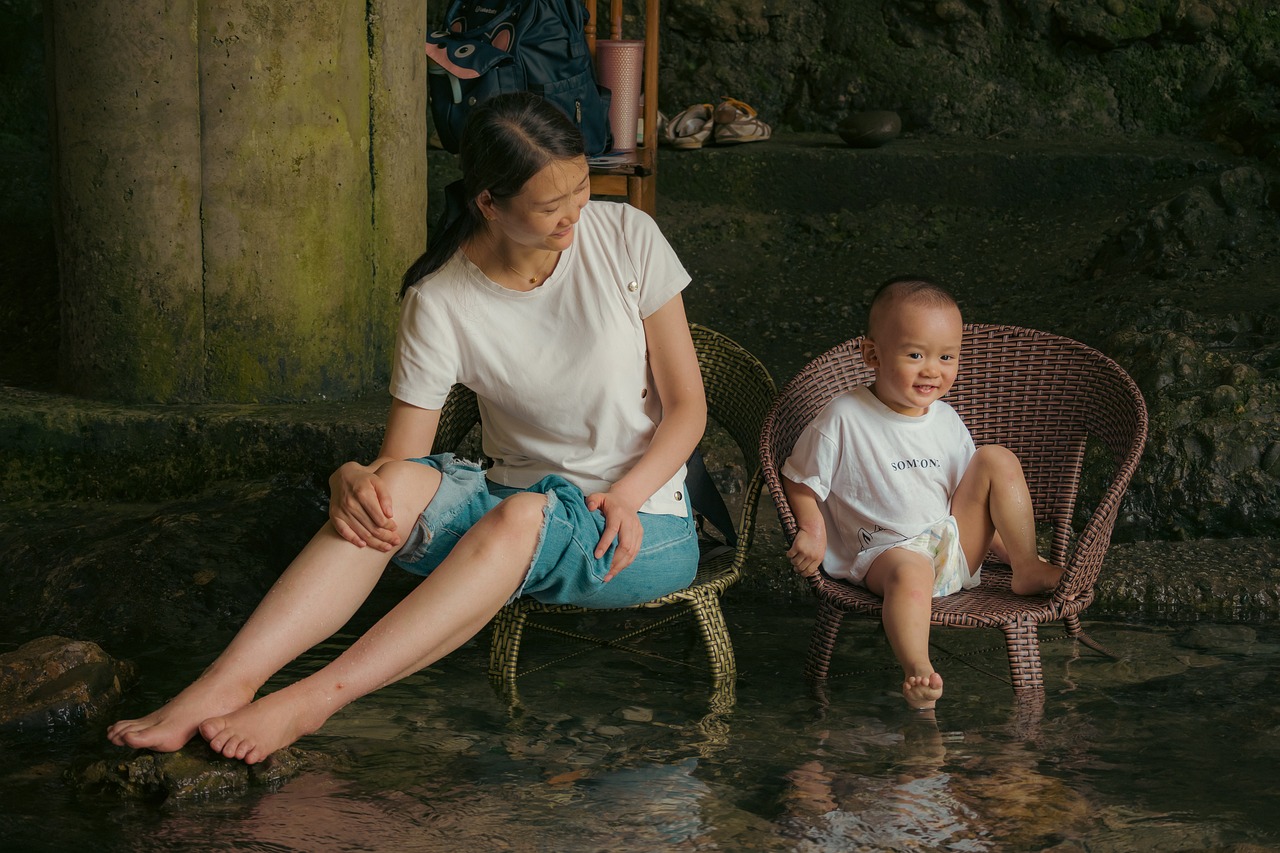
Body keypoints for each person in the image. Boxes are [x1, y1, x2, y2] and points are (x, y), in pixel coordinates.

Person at [107, 91, 706, 764]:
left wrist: (625, 496)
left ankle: (313, 699)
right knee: (388, 494)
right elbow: (404, 462)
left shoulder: (627, 237)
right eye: (548, 205)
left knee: (518, 519)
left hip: (638, 521)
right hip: (509, 509)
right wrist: (354, 478)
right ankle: (224, 683)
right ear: (488, 203)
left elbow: (688, 407)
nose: (575, 212)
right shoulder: (441, 298)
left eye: (581, 187)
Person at [781, 278, 1061, 711]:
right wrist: (812, 529)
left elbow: (973, 497)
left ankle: (1026, 566)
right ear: (872, 354)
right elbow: (799, 479)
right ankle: (918, 667)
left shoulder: (946, 419)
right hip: (886, 553)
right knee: (911, 574)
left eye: (946, 356)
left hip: (951, 546)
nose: (932, 369)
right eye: (915, 354)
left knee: (996, 458)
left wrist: (1000, 550)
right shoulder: (843, 418)